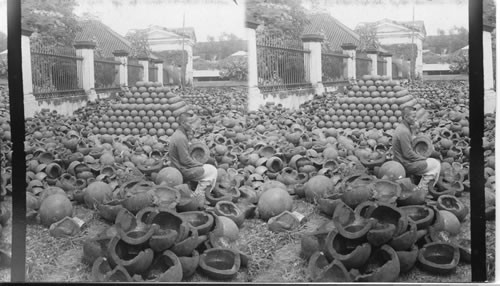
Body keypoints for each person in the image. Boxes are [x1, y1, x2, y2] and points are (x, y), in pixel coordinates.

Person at [168, 112, 217, 207]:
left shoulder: (179, 134)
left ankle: (196, 192)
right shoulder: (180, 138)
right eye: (189, 123)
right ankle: (198, 195)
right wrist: (199, 165)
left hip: (178, 166)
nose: (191, 125)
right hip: (181, 169)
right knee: (212, 171)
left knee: (208, 166)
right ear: (182, 123)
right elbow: (184, 160)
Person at [392, 106, 441, 192]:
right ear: (406, 117)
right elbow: (408, 154)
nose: (415, 119)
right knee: (436, 164)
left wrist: (413, 130)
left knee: (431, 160)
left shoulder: (403, 127)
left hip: (402, 160)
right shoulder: (404, 131)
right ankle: (422, 189)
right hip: (405, 164)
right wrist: (423, 158)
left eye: (416, 116)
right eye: (413, 117)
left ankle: (416, 180)